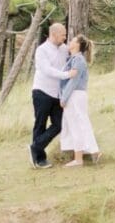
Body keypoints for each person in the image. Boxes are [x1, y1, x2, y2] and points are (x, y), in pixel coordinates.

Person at [29, 22, 73, 169]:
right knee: (40, 124)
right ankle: (39, 159)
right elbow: (47, 70)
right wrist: (66, 75)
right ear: (54, 34)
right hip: (42, 91)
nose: (65, 37)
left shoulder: (65, 49)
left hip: (57, 94)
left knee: (59, 124)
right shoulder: (42, 50)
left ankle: (35, 146)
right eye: (63, 35)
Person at [59, 33, 101, 167]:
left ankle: (84, 156)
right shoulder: (74, 59)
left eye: (72, 40)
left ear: (77, 45)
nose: (69, 42)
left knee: (77, 124)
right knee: (77, 124)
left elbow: (74, 81)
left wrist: (64, 97)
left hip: (75, 95)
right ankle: (85, 155)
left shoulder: (78, 60)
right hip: (76, 95)